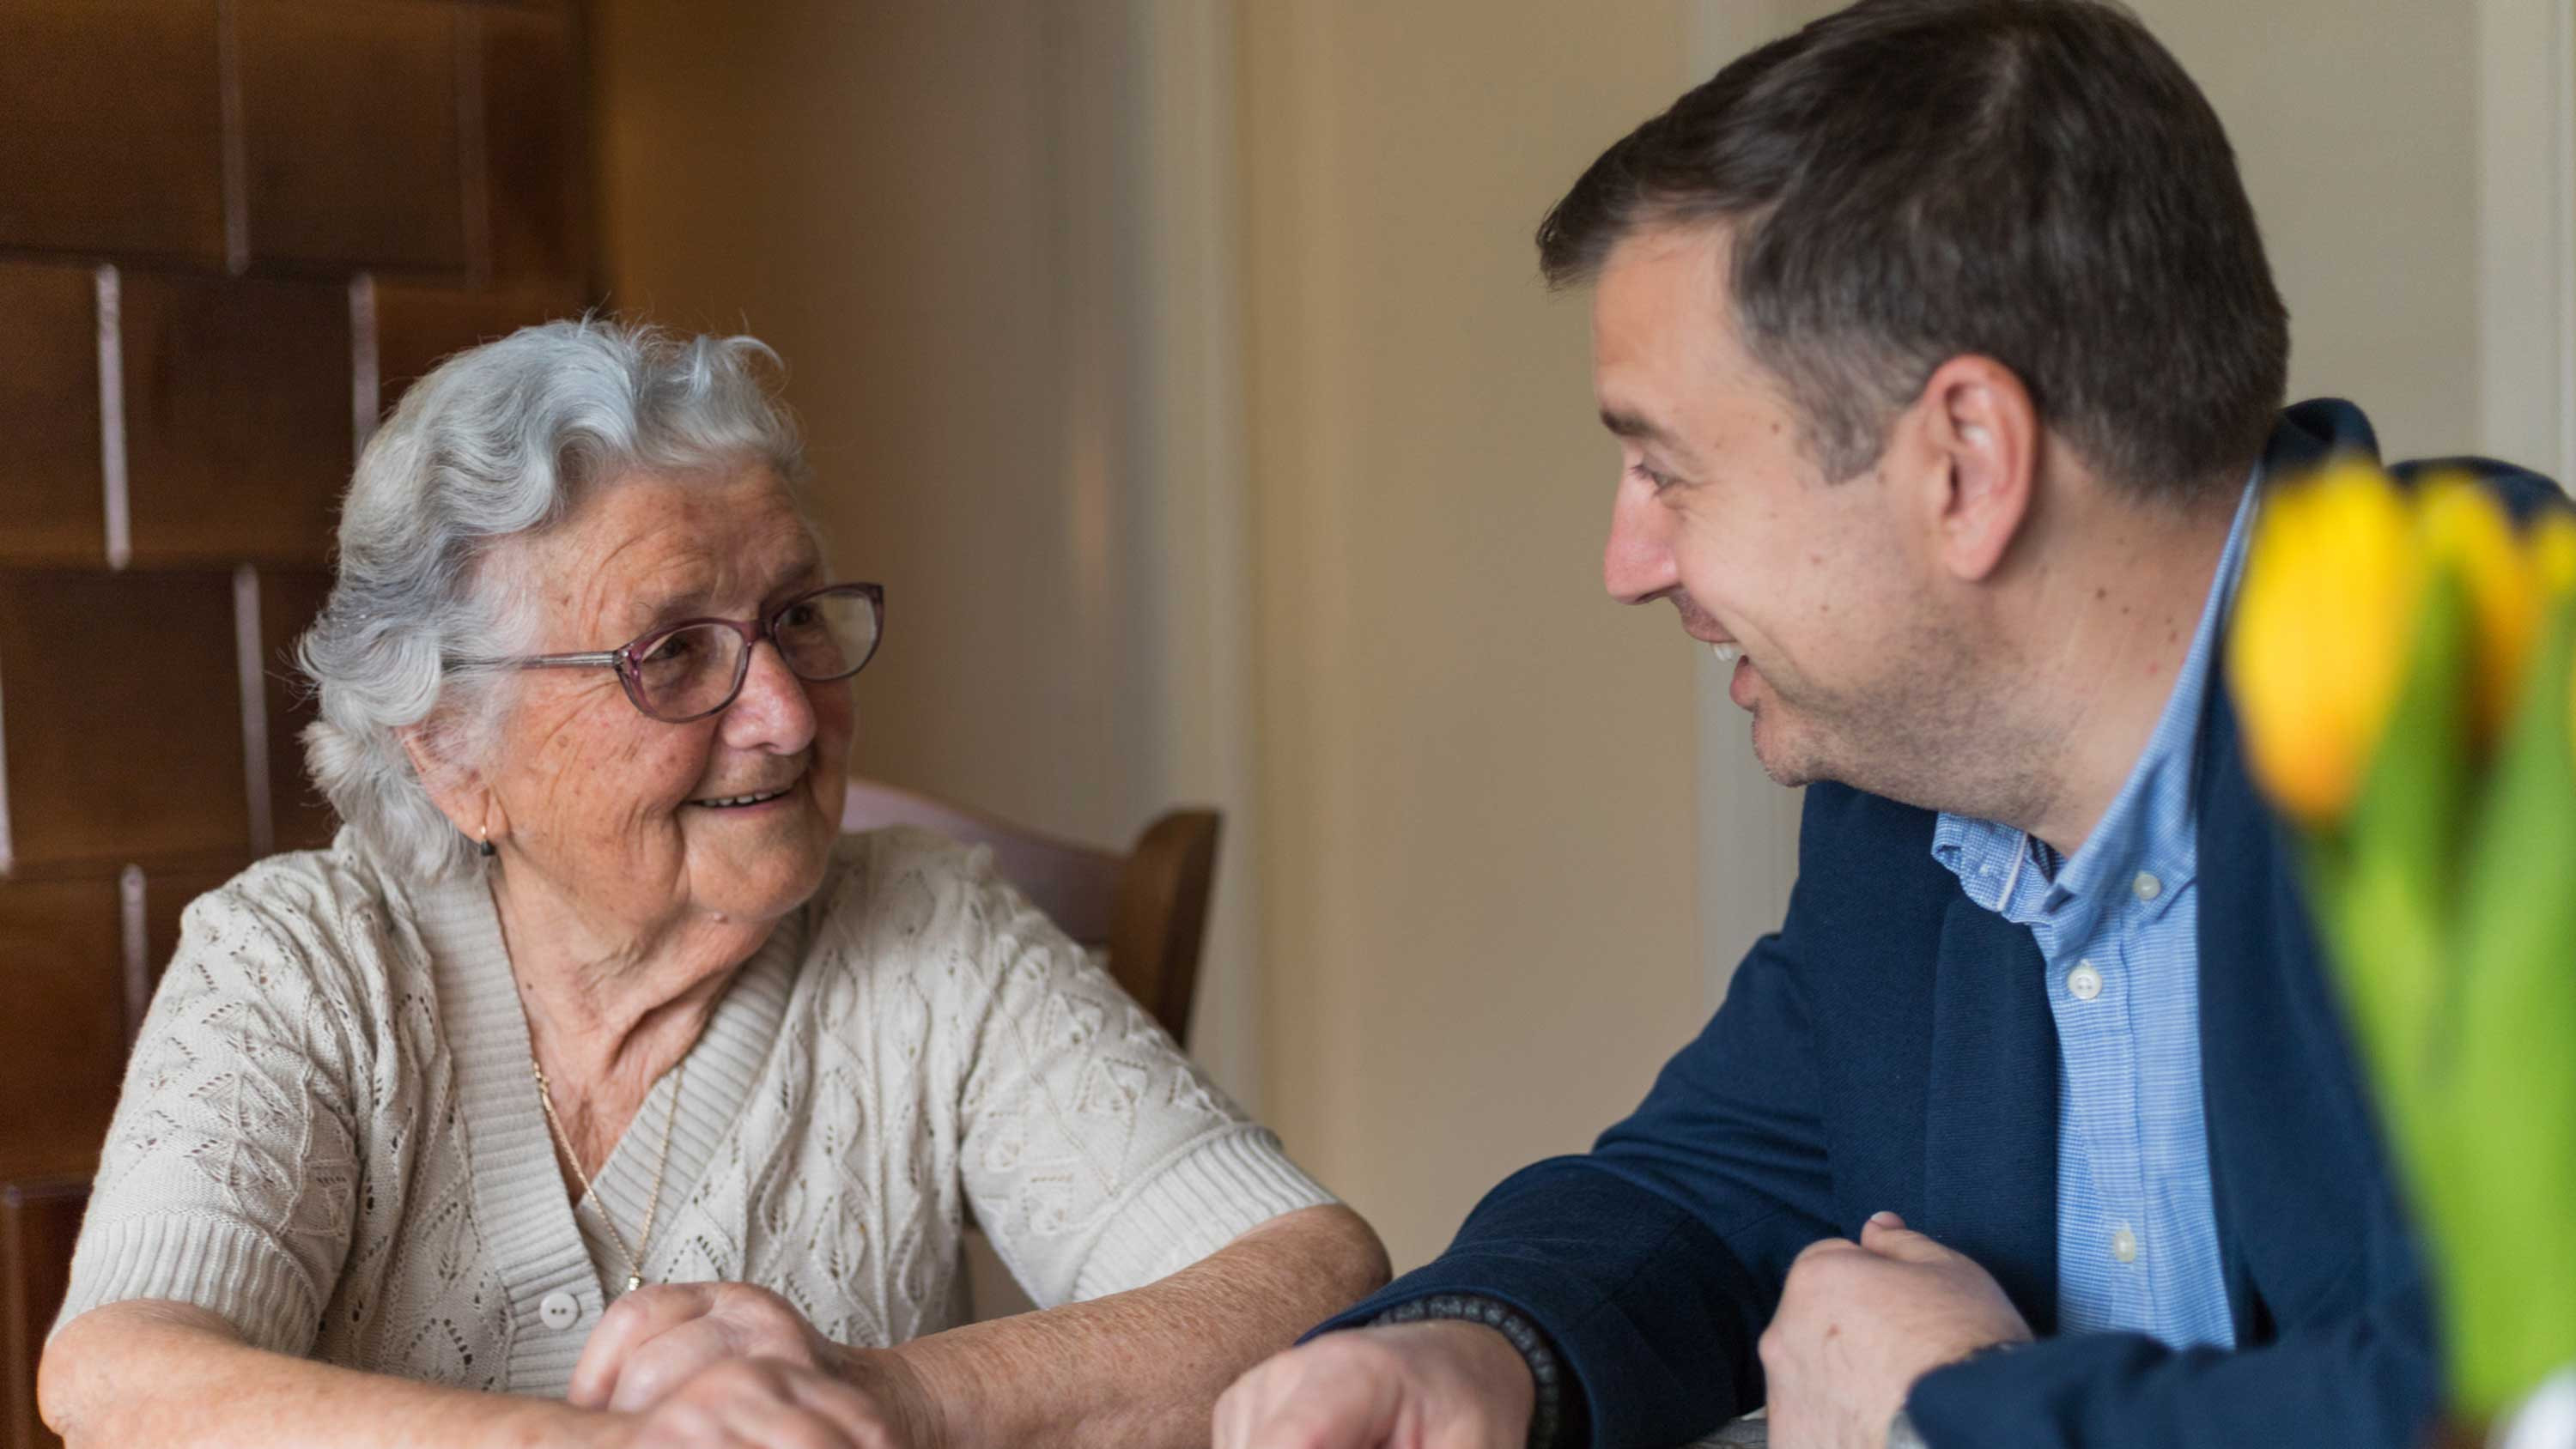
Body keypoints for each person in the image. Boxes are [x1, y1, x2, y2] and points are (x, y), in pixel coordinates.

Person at [1212, 2, 2565, 1447]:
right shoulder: (1915, 797)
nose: (1629, 565)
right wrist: (1471, 1354)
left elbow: (2516, 1403)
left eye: (1666, 471)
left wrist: (1951, 1412)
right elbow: (1708, 1186)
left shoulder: (2498, 704)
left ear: (1966, 465)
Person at [38, 319, 1388, 1449]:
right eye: (672, 652)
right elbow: (120, 1380)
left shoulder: (928, 931)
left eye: (797, 618)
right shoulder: (302, 965)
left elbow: (1309, 1274)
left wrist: (879, 1394)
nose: (790, 716)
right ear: (452, 751)